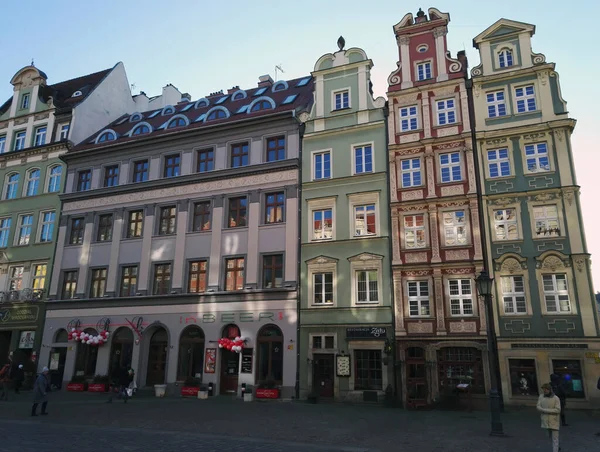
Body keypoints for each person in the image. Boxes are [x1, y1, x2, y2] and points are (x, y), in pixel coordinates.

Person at [537, 383, 561, 452]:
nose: (544, 391)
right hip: (545, 420)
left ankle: (555, 449)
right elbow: (538, 406)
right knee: (549, 436)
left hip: (554, 421)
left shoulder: (556, 398)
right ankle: (557, 447)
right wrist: (542, 410)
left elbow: (558, 410)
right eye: (543, 389)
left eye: (546, 389)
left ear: (549, 389)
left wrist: (544, 410)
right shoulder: (541, 397)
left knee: (555, 438)